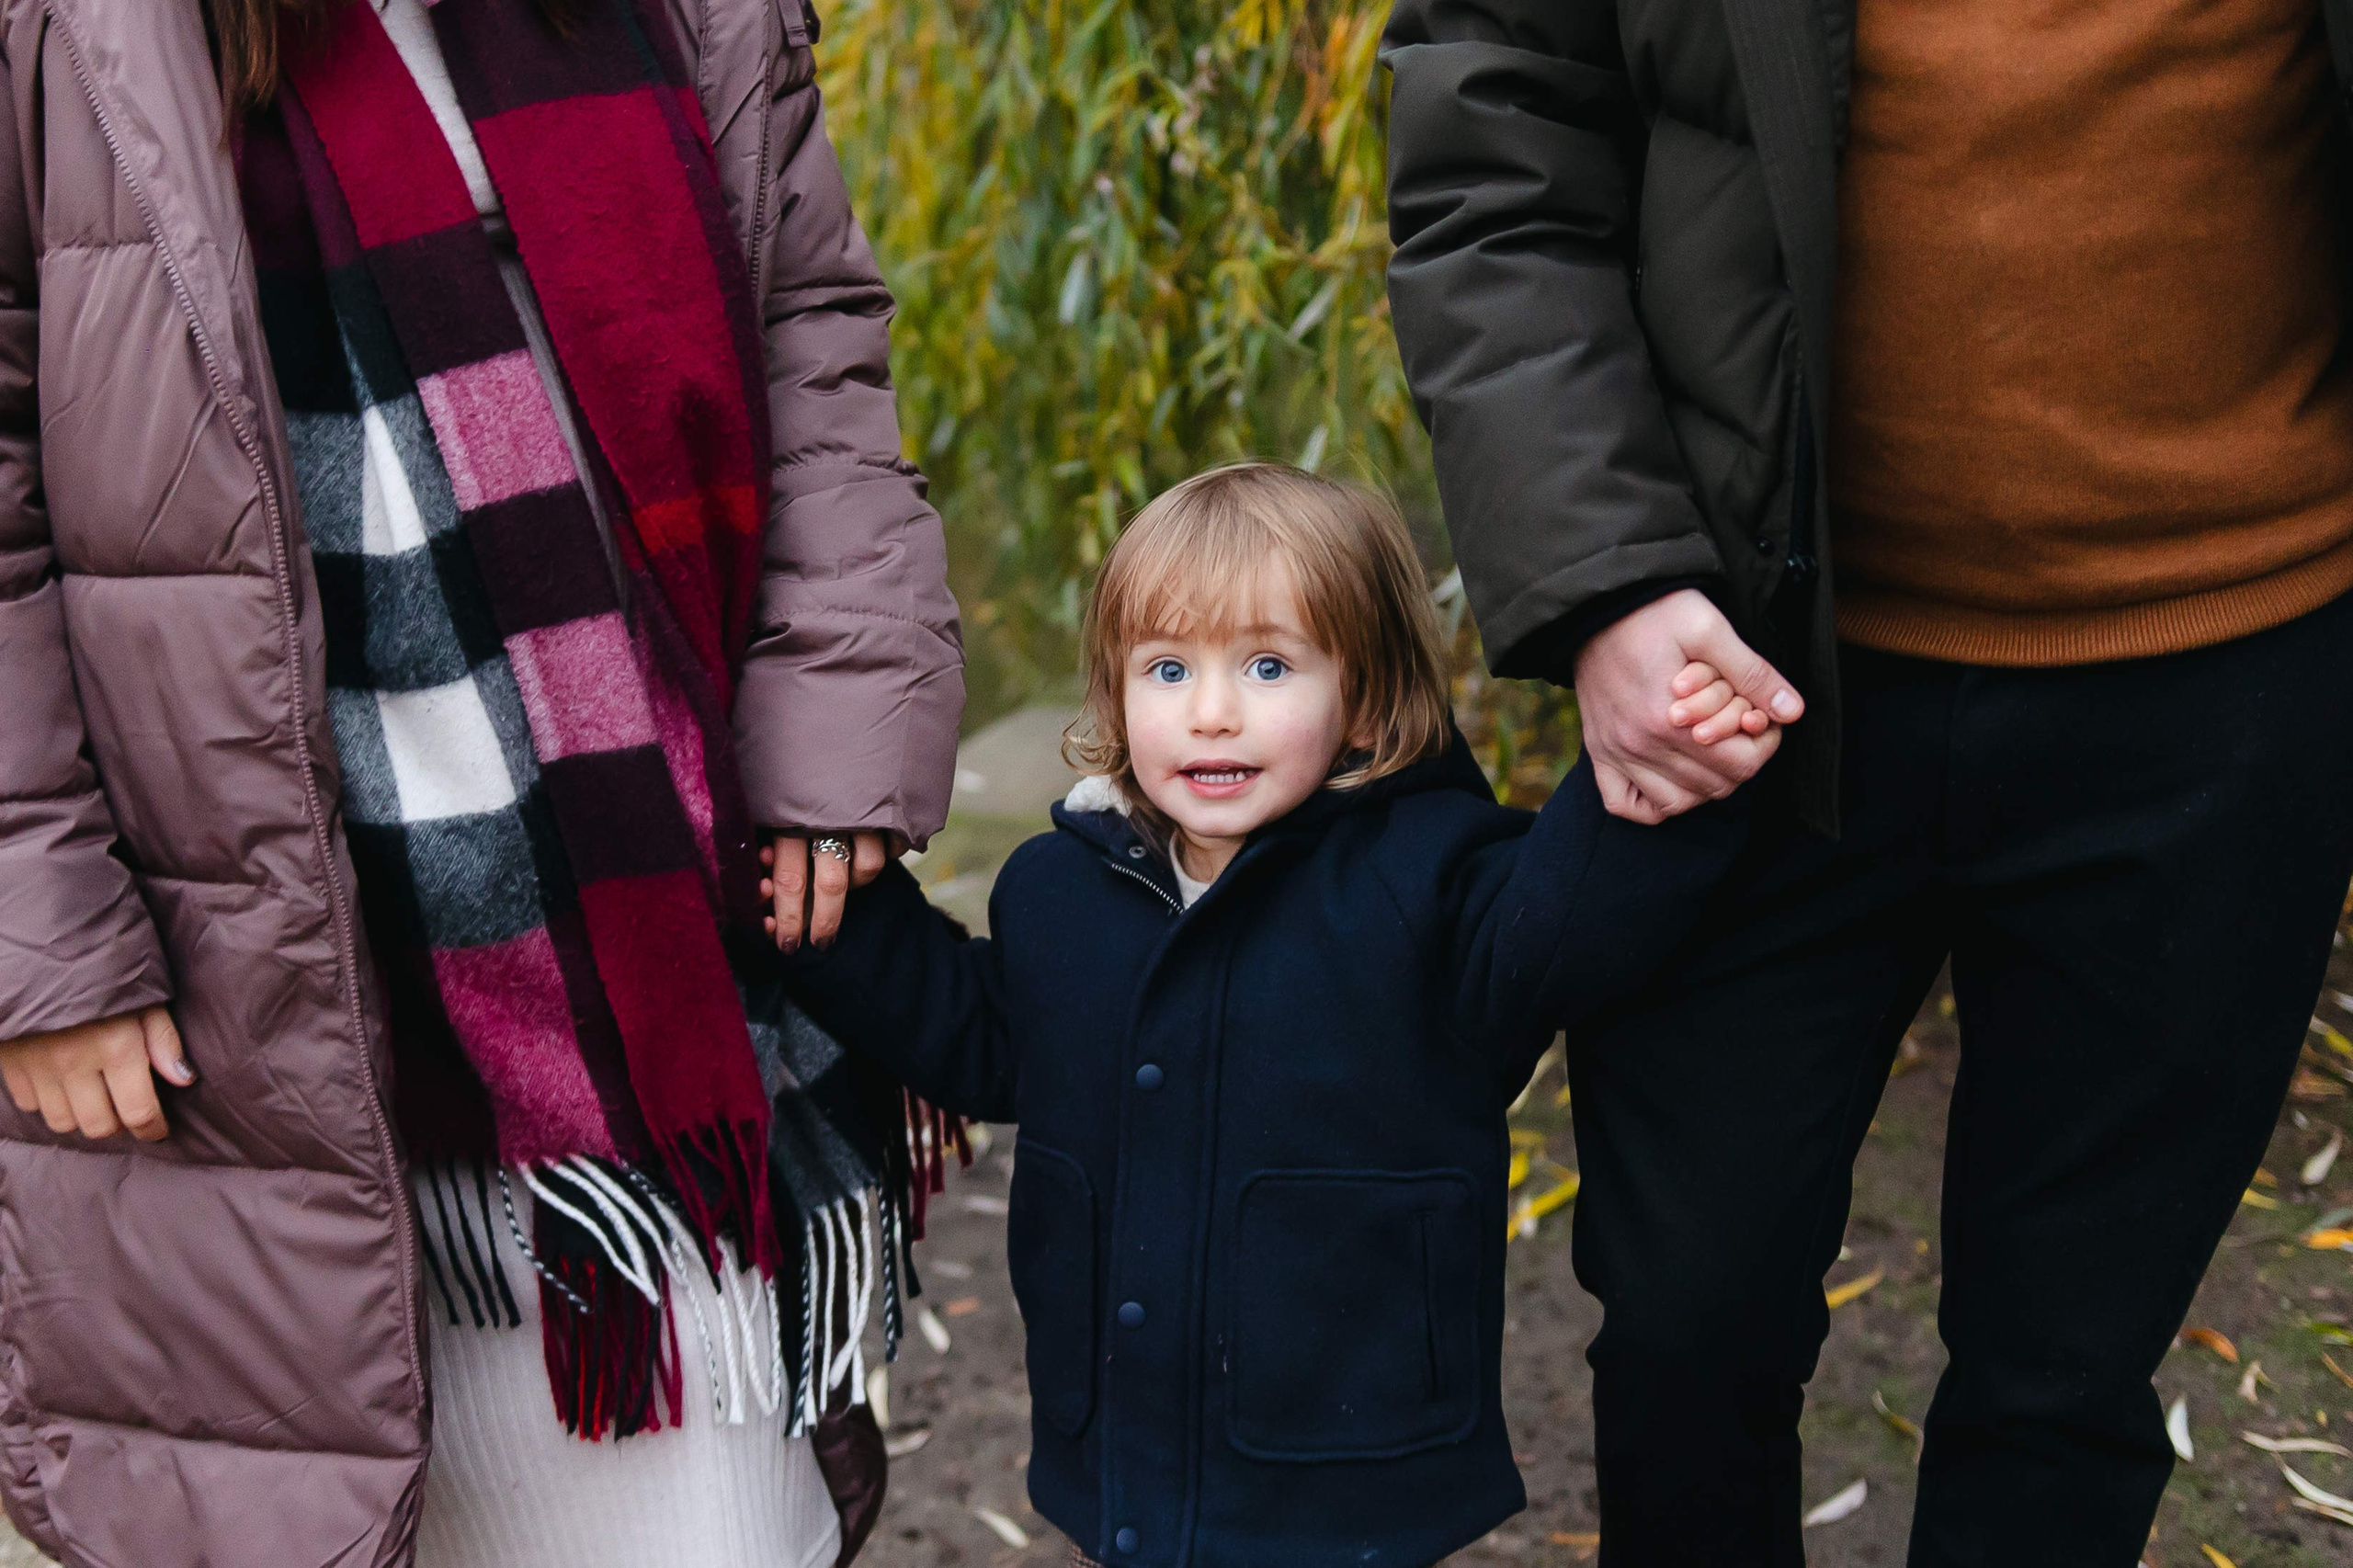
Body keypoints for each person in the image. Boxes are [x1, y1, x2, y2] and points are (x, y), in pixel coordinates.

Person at [1381, 0, 2353, 1561]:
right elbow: (1495, 143)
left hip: (2230, 674)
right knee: (1688, 1320)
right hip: (1750, 676)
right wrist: (1609, 583)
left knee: (2067, 1371)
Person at [0, 0, 961, 1562]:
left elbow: (815, 330)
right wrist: (39, 930)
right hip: (249, 976)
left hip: (668, 956)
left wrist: (840, 715)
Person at [778, 462, 1746, 1568]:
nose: (1212, 709)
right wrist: (834, 908)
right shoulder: (1059, 888)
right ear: (1114, 689)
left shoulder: (1429, 877)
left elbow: (1565, 928)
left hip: (1349, 1469)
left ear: (1368, 695)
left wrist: (1672, 748)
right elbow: (979, 1035)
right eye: (1168, 666)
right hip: (1128, 1448)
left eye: (1270, 664)